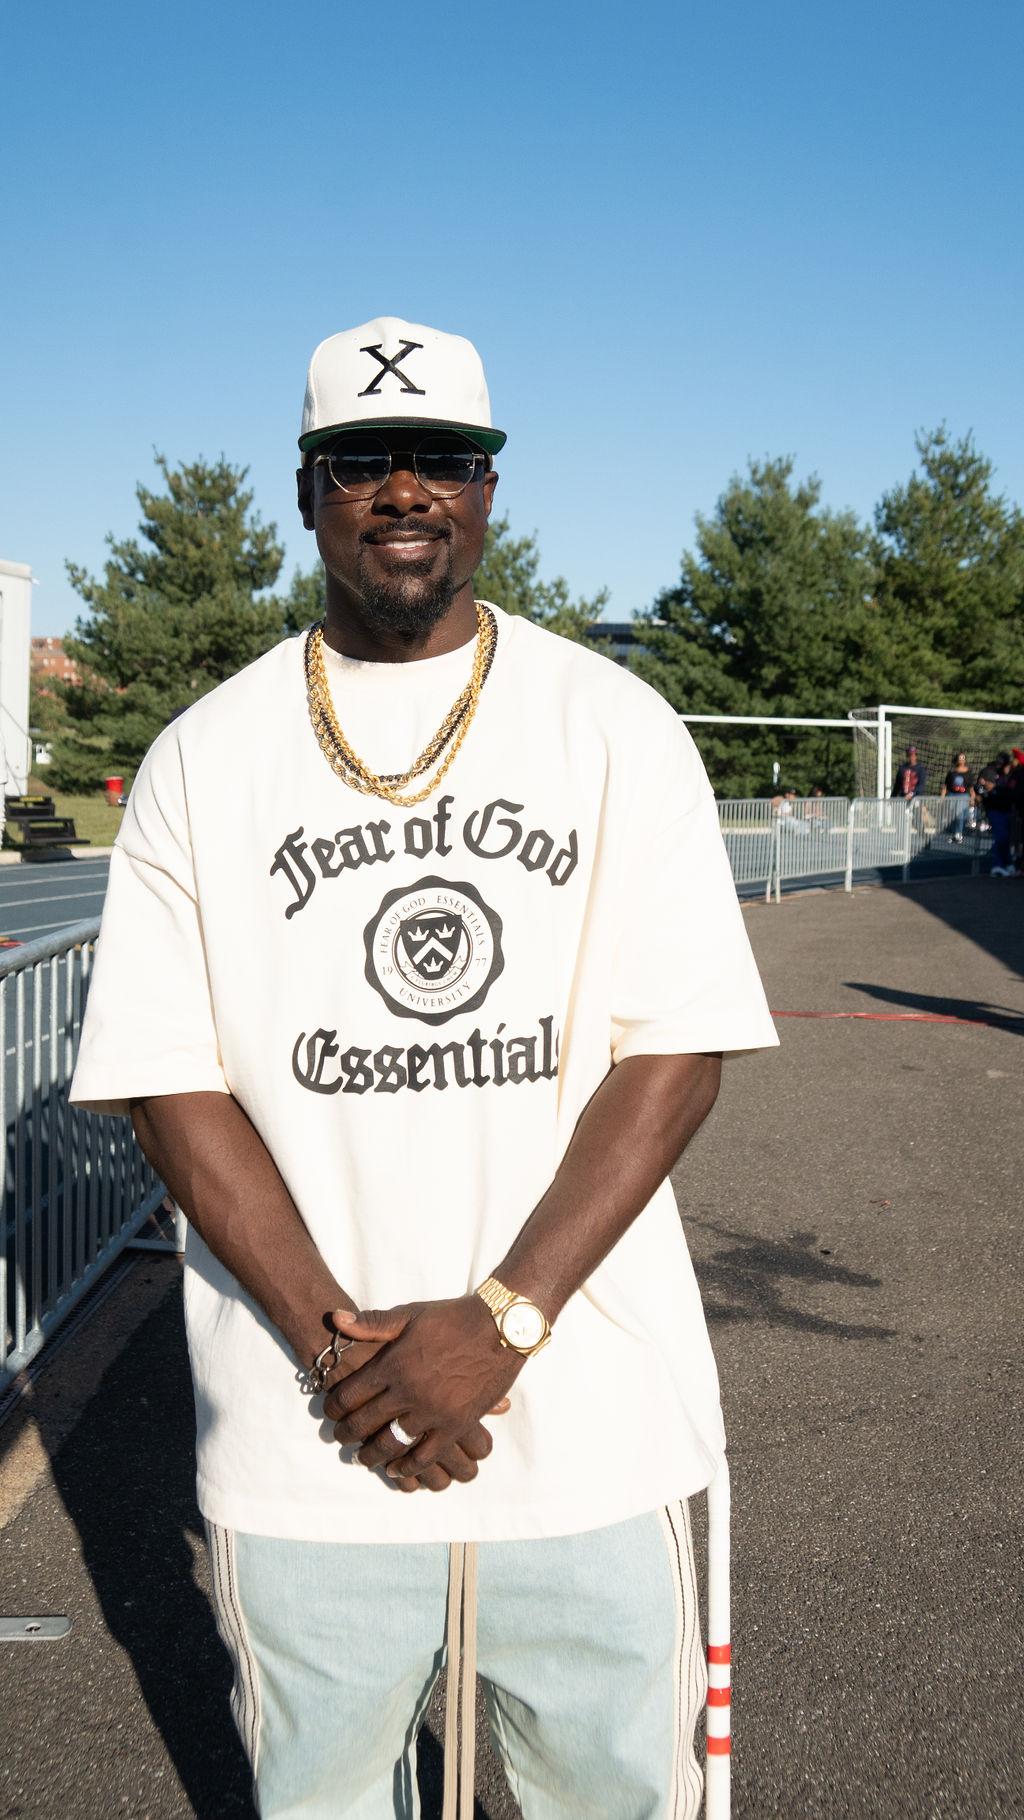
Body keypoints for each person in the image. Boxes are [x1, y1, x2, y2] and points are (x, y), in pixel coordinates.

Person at [70, 317, 778, 1820]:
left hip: (593, 1425)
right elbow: (165, 1079)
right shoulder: (207, 756)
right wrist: (349, 1357)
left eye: (442, 459)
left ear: (489, 492)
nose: (404, 490)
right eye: (362, 462)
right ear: (307, 492)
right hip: (302, 1442)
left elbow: (680, 1051)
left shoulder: (614, 724)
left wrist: (500, 1325)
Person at [940, 750, 975, 840]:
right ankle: (954, 831)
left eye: (963, 758)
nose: (961, 760)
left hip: (963, 796)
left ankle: (958, 833)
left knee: (960, 815)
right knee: (952, 814)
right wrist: (942, 796)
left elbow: (971, 787)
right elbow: (946, 786)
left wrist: (972, 797)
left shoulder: (969, 772)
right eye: (959, 758)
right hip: (952, 795)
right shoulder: (952, 772)